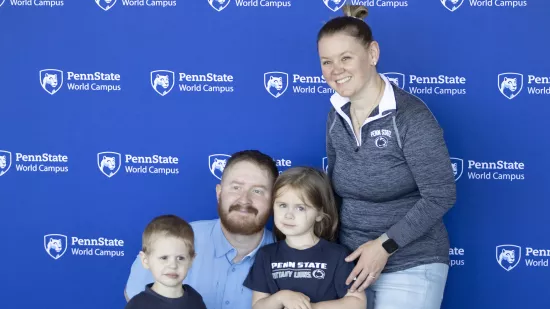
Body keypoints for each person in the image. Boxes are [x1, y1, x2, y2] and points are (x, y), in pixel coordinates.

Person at [318, 4, 457, 309]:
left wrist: (384, 246)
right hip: (350, 266)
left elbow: (440, 195)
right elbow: (335, 192)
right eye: (327, 61)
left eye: (345, 58)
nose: (335, 70)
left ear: (372, 54)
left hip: (410, 263)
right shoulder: (335, 116)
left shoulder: (410, 117)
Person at [124, 150, 279, 309]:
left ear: (274, 199)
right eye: (236, 187)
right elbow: (136, 298)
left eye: (257, 191)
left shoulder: (291, 254)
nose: (244, 200)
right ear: (219, 193)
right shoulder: (177, 238)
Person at [243, 167, 367, 309]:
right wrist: (281, 297)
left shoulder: (338, 255)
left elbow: (357, 302)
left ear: (319, 214)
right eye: (283, 205)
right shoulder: (266, 255)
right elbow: (257, 305)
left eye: (300, 208)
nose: (288, 215)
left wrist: (312, 307)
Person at [125, 214, 207, 309]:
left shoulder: (195, 299)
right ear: (145, 260)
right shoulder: (137, 305)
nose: (173, 265)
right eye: (164, 258)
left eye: (180, 258)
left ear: (191, 260)